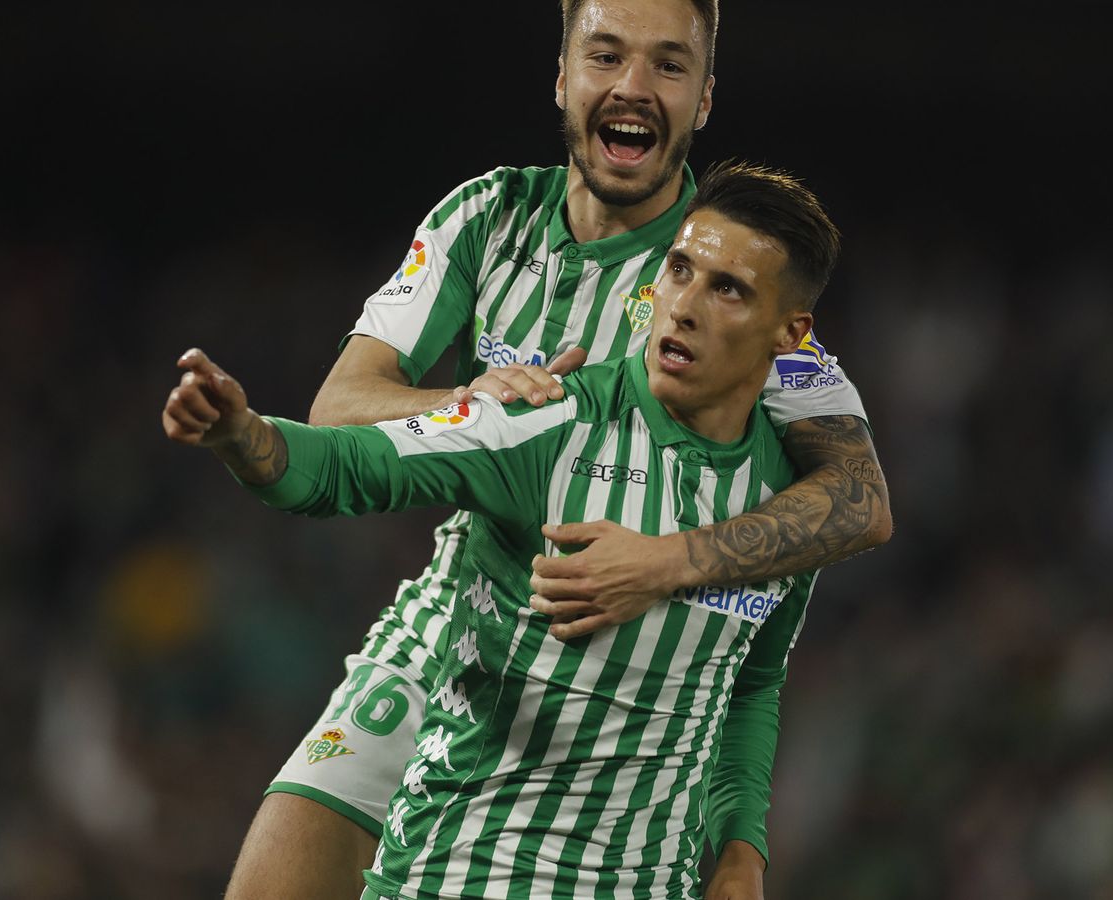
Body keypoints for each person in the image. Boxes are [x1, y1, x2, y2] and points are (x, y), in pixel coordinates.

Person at [176, 0, 891, 896]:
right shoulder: (489, 215)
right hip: (447, 626)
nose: (633, 86)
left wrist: (667, 563)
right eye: (607, 56)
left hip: (596, 693)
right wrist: (472, 406)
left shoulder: (721, 277)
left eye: (669, 66)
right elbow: (340, 410)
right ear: (563, 77)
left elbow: (859, 500)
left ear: (704, 99)